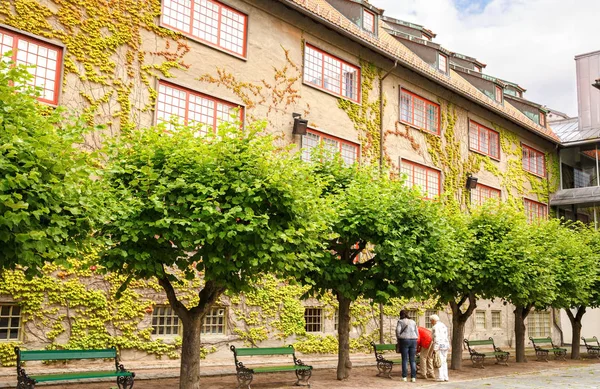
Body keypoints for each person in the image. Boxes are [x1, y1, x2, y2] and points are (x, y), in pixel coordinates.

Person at [396, 310, 419, 382]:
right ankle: (413, 377)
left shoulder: (400, 322)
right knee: (412, 360)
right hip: (413, 340)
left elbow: (397, 331)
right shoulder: (413, 321)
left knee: (405, 359)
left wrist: (399, 337)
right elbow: (417, 332)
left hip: (404, 340)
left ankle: (404, 377)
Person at [430, 314, 450, 382]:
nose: (430, 322)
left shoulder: (435, 327)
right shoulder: (443, 325)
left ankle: (441, 377)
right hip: (445, 345)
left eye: (431, 321)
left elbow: (436, 337)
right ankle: (446, 376)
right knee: (444, 361)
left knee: (439, 361)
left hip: (439, 346)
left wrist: (435, 348)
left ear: (433, 320)